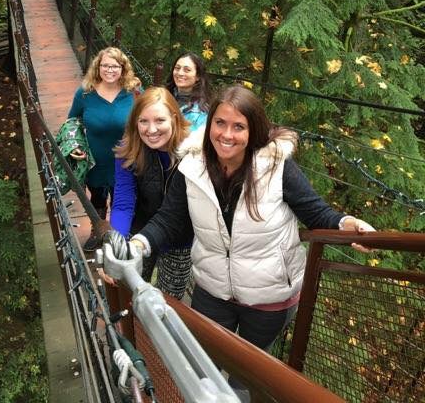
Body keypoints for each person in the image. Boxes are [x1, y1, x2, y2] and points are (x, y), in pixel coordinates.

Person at [127, 85, 374, 397]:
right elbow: (168, 218)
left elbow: (316, 212)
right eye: (220, 123)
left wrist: (346, 224)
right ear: (209, 125)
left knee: (245, 377)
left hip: (269, 297)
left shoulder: (276, 168)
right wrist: (138, 245)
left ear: (253, 129)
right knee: (204, 364)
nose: (227, 135)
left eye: (238, 126)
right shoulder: (191, 167)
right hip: (212, 291)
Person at [110, 87, 192, 298]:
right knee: (129, 285)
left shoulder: (193, 154)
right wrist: (116, 244)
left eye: (160, 121)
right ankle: (131, 329)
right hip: (140, 229)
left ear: (174, 119)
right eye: (143, 121)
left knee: (170, 298)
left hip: (179, 237)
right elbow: (123, 201)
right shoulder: (129, 151)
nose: (151, 130)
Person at [68, 47, 138, 251]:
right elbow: (72, 121)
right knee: (97, 199)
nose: (109, 70)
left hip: (124, 160)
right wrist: (74, 145)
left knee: (121, 201)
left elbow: (145, 120)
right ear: (97, 67)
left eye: (115, 66)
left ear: (123, 69)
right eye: (105, 65)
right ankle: (97, 231)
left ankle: (118, 239)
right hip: (95, 160)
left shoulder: (132, 94)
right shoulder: (85, 93)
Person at [165, 52, 211, 131]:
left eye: (187, 70)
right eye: (177, 68)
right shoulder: (163, 98)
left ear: (198, 76)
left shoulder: (202, 113)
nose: (180, 73)